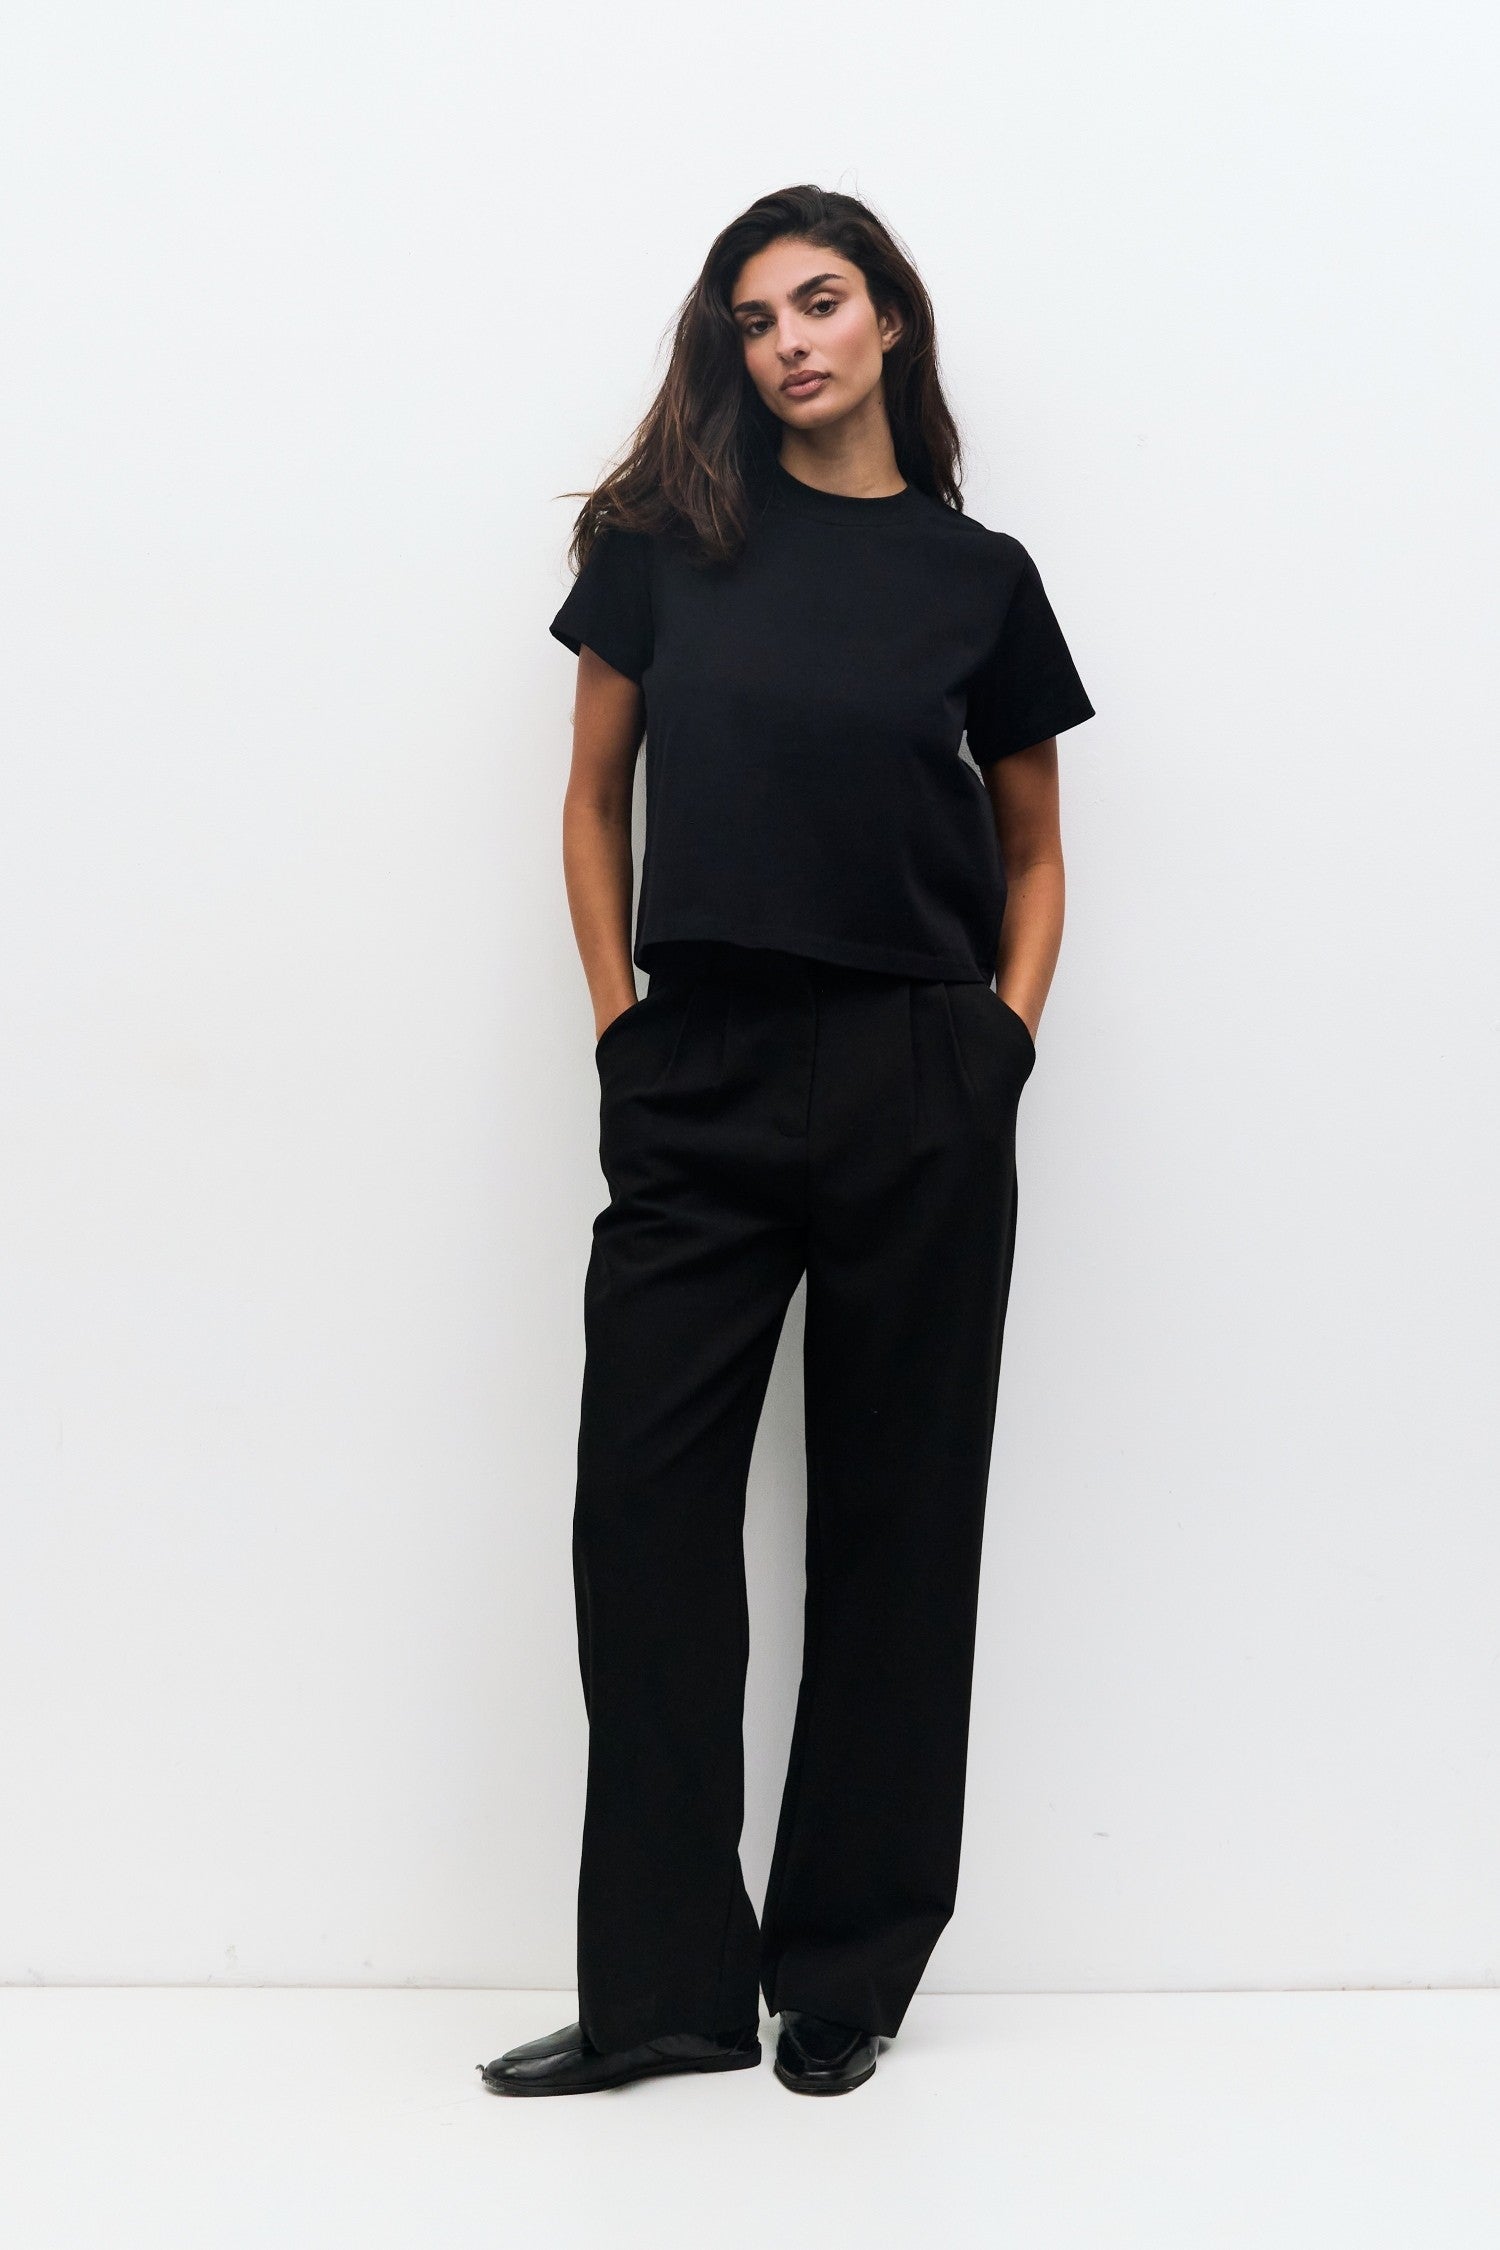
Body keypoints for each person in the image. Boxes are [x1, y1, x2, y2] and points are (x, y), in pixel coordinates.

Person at [480, 183, 1095, 2100]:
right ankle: (666, 1987)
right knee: (644, 1520)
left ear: (890, 316)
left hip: (922, 1072)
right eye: (753, 320)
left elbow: (1036, 851)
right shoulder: (663, 550)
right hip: (702, 1069)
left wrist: (996, 1045)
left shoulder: (979, 579)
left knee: (900, 1524)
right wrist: (621, 1027)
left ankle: (846, 1966)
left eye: (819, 303)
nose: (788, 343)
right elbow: (592, 799)